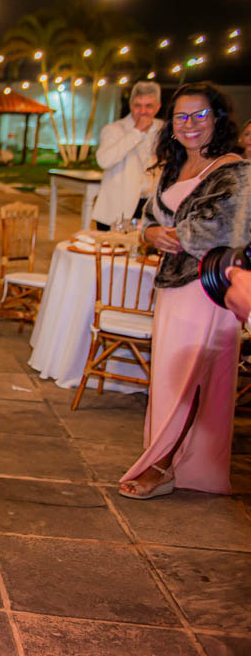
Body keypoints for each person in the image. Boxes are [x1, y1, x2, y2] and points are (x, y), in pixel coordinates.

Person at [119, 82, 249, 499]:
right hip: (172, 286)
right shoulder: (174, 167)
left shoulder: (234, 169)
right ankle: (171, 460)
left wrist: (170, 234)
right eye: (181, 116)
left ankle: (161, 466)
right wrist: (150, 234)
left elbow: (225, 229)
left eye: (200, 115)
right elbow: (147, 218)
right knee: (168, 378)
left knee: (193, 379)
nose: (190, 124)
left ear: (217, 119)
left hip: (208, 287)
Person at [92, 81, 163, 231]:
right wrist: (136, 132)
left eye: (148, 106)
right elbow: (104, 161)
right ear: (131, 106)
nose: (142, 111)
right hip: (117, 210)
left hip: (151, 208)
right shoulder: (114, 130)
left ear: (158, 107)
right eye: (138, 105)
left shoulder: (163, 130)